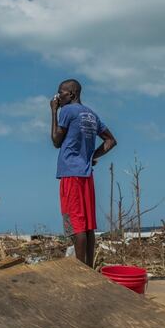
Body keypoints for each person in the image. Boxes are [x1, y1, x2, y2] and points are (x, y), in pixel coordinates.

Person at [50, 79, 117, 267]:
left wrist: (54, 111)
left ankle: (81, 273)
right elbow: (111, 140)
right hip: (87, 175)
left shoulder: (67, 111)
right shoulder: (91, 114)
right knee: (87, 226)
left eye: (60, 93)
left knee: (77, 225)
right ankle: (90, 269)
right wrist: (92, 156)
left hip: (71, 174)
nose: (57, 97)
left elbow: (56, 141)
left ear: (71, 94)